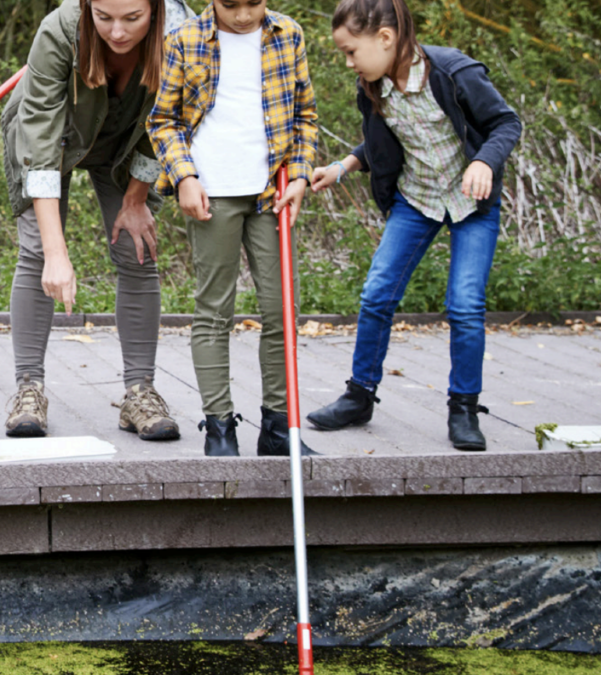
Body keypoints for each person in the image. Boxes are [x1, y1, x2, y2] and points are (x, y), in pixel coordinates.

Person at [305, 0, 520, 452]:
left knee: (464, 305)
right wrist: (342, 167)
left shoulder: (452, 72)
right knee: (377, 292)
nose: (348, 63)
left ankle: (463, 408)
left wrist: (484, 161)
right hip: (416, 199)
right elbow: (384, 140)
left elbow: (505, 123)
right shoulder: (373, 87)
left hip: (472, 202)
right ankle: (359, 396)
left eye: (350, 51)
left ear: (384, 38)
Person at [1, 0, 192, 441]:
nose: (118, 32)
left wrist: (136, 197)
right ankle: (28, 389)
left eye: (132, 18)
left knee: (136, 249)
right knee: (36, 254)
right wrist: (55, 250)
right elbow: (40, 143)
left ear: (157, 8)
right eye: (104, 18)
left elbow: (169, 121)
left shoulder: (183, 35)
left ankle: (140, 393)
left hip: (128, 143)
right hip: (51, 140)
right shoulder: (58, 32)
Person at [146, 0, 318, 457]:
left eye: (253, 3)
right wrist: (184, 176)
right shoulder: (183, 40)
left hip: (272, 191)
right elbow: (164, 121)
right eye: (231, 5)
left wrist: (300, 175)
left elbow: (305, 116)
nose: (243, 15)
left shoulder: (288, 35)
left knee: (281, 309)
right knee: (214, 309)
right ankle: (219, 428)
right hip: (212, 192)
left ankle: (279, 429)